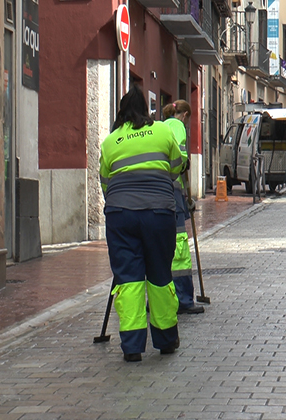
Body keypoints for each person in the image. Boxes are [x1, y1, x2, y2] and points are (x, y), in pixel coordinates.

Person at [99, 85, 185, 362]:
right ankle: (166, 340)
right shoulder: (162, 131)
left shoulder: (111, 142)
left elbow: (105, 183)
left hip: (120, 215)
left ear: (122, 113)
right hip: (158, 213)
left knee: (129, 278)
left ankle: (133, 347)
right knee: (160, 275)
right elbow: (176, 167)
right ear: (147, 110)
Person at [162, 100, 204, 315]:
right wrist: (185, 162)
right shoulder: (177, 126)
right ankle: (183, 299)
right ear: (185, 114)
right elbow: (179, 157)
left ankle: (160, 298)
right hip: (172, 191)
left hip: (157, 193)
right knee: (179, 247)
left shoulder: (159, 127)